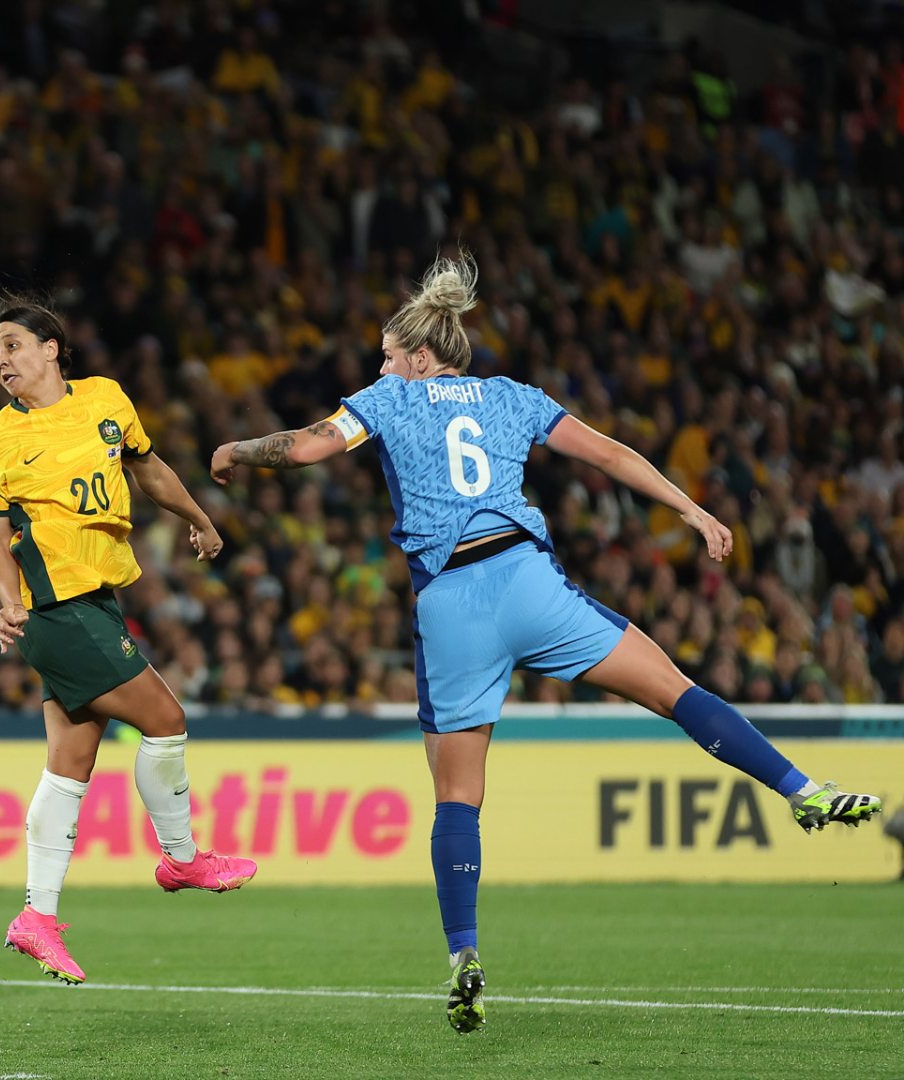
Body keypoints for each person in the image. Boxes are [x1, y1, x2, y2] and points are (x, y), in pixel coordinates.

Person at [210, 253, 884, 1034]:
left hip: (453, 604)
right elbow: (611, 454)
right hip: (528, 582)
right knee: (675, 690)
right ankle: (802, 791)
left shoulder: (388, 398)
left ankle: (462, 953)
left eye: (391, 354)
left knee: (458, 796)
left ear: (420, 358)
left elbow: (306, 447)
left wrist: (235, 452)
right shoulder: (512, 396)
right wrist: (692, 510)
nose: (382, 364)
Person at [0, 296, 258, 986]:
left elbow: (148, 468)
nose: (1, 360)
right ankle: (182, 857)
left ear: (51, 348)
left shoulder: (105, 399)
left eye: (11, 345)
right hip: (59, 610)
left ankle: (37, 917)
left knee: (69, 763)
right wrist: (8, 603)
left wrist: (200, 518)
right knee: (167, 720)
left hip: (97, 600)